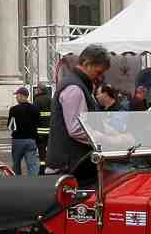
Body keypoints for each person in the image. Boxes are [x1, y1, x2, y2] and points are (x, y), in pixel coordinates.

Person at [47, 44, 110, 183]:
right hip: (70, 168)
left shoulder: (78, 85)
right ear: (87, 64)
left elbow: (90, 121)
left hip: (72, 166)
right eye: (98, 72)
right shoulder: (74, 87)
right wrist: (109, 140)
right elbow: (76, 129)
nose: (99, 78)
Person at [8, 87, 41, 176]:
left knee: (16, 164)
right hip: (31, 139)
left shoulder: (13, 110)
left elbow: (10, 126)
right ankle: (33, 182)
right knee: (32, 164)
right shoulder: (35, 109)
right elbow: (38, 123)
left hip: (18, 140)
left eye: (17, 96)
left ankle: (17, 181)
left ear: (22, 96)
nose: (16, 98)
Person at [34, 84, 51, 166]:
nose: (36, 90)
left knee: (41, 148)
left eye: (37, 89)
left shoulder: (37, 100)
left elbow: (35, 114)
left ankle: (42, 165)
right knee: (50, 147)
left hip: (40, 130)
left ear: (40, 90)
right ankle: (51, 164)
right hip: (50, 129)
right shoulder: (50, 99)